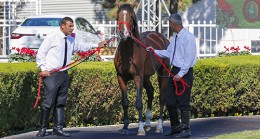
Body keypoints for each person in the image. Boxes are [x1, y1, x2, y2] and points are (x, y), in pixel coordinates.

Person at [36, 17, 106, 137]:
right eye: (70, 26)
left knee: (60, 103)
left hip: (64, 74)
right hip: (52, 74)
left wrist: (97, 45)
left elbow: (80, 46)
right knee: (48, 103)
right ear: (62, 26)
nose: (72, 28)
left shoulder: (70, 39)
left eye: (72, 26)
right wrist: (43, 68)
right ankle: (42, 129)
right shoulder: (52, 37)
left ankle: (58, 128)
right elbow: (41, 53)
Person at [146, 13, 197, 138]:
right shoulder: (176, 38)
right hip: (175, 71)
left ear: (174, 24)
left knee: (183, 102)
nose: (169, 26)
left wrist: (180, 74)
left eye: (169, 24)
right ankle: (176, 127)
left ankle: (186, 130)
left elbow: (189, 59)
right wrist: (154, 51)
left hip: (184, 73)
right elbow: (169, 53)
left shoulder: (188, 38)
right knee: (169, 100)